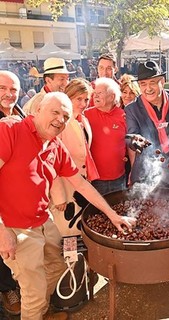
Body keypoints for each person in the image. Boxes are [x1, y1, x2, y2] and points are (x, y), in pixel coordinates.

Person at [0, 92, 136, 320]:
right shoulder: (10, 131)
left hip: (43, 220)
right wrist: (2, 230)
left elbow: (81, 185)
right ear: (38, 110)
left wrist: (113, 215)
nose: (60, 120)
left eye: (65, 116)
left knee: (56, 268)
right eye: (55, 112)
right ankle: (34, 311)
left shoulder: (54, 146)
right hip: (15, 227)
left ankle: (39, 313)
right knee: (32, 290)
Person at [125, 60, 169, 190]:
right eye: (143, 84)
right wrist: (134, 141)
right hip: (149, 170)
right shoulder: (132, 109)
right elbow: (131, 136)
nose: (148, 88)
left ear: (162, 81)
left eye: (152, 83)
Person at [50, 79, 99, 236]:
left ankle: (78, 259)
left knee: (80, 227)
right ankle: (68, 261)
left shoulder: (82, 120)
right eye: (79, 99)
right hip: (66, 187)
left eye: (86, 99)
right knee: (67, 229)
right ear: (68, 97)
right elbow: (51, 162)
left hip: (82, 183)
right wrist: (58, 196)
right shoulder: (60, 123)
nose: (83, 103)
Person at [0, 70, 23, 316]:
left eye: (13, 89)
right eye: (2, 88)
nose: (8, 94)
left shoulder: (20, 113)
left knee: (18, 253)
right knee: (4, 249)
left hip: (20, 199)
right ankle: (7, 290)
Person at [85, 78, 127, 195]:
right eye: (94, 94)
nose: (95, 96)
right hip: (95, 179)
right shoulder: (86, 115)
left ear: (112, 96)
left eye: (100, 93)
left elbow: (129, 144)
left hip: (119, 178)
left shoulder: (123, 116)